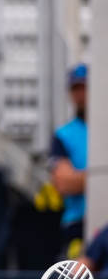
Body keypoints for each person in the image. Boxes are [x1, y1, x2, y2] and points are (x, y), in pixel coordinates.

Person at [49, 63, 88, 259]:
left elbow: (72, 179)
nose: (81, 94)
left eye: (85, 87)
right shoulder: (63, 135)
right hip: (78, 227)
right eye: (76, 89)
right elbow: (63, 183)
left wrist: (81, 178)